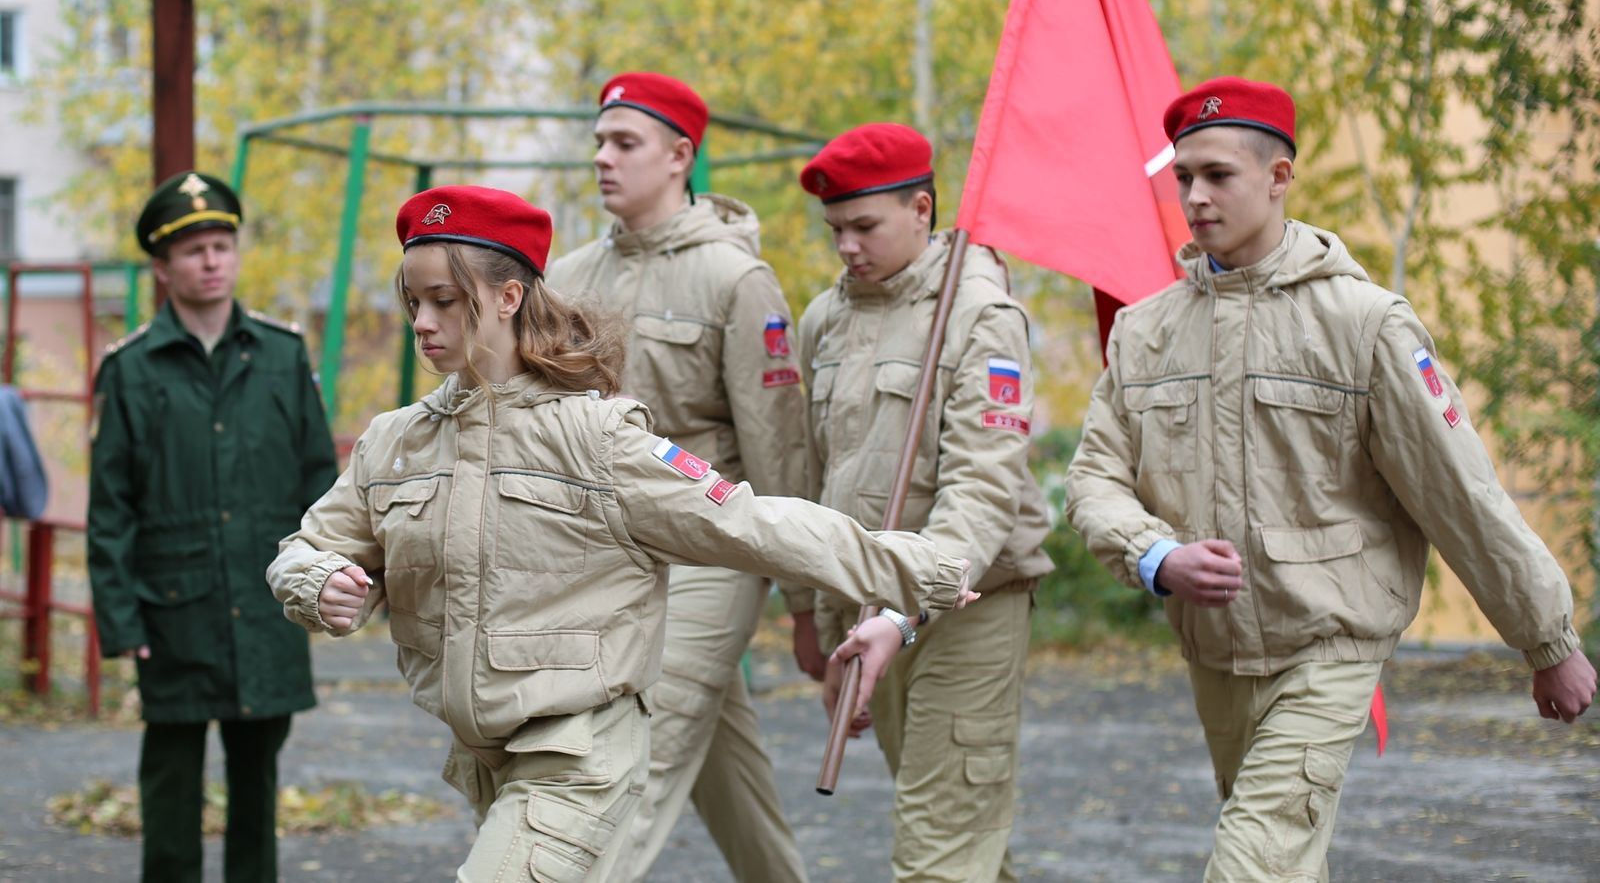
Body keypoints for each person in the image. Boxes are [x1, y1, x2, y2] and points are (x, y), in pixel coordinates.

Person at [266, 184, 977, 881]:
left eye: (445, 302)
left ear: (509, 299)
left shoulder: (597, 437)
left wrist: (926, 569)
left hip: (580, 757)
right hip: (485, 757)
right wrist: (318, 581)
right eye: (414, 302)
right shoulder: (396, 442)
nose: (422, 322)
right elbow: (306, 546)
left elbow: (757, 524)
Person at [1063, 76, 1598, 881]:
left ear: (1280, 178)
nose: (1196, 197)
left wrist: (1547, 639)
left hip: (1328, 647)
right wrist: (1154, 555)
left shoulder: (1365, 323)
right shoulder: (1145, 333)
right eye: (1183, 178)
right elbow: (1094, 480)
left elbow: (1460, 494)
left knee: (1250, 867)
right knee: (1282, 861)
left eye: (1218, 175)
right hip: (1215, 655)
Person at [544, 72, 818, 882]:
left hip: (710, 547)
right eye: (598, 142)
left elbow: (777, 450)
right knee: (717, 751)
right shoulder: (569, 279)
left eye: (624, 143)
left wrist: (807, 604)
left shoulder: (736, 279)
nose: (603, 158)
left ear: (679, 156)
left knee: (637, 748)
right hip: (609, 551)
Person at [797, 123, 1055, 882]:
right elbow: (823, 483)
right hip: (870, 608)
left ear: (921, 208)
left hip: (969, 609)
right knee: (960, 834)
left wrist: (901, 610)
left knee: (937, 848)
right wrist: (822, 619)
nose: (846, 245)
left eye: (864, 226)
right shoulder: (826, 320)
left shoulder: (980, 313)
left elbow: (983, 489)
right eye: (835, 229)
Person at [88, 170, 338, 883]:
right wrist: (122, 620)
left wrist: (322, 582)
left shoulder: (282, 356)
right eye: (193, 248)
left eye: (222, 243)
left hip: (266, 602)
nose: (211, 260)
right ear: (163, 268)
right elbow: (111, 508)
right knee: (170, 780)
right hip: (173, 609)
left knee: (257, 780)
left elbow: (320, 481)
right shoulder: (132, 369)